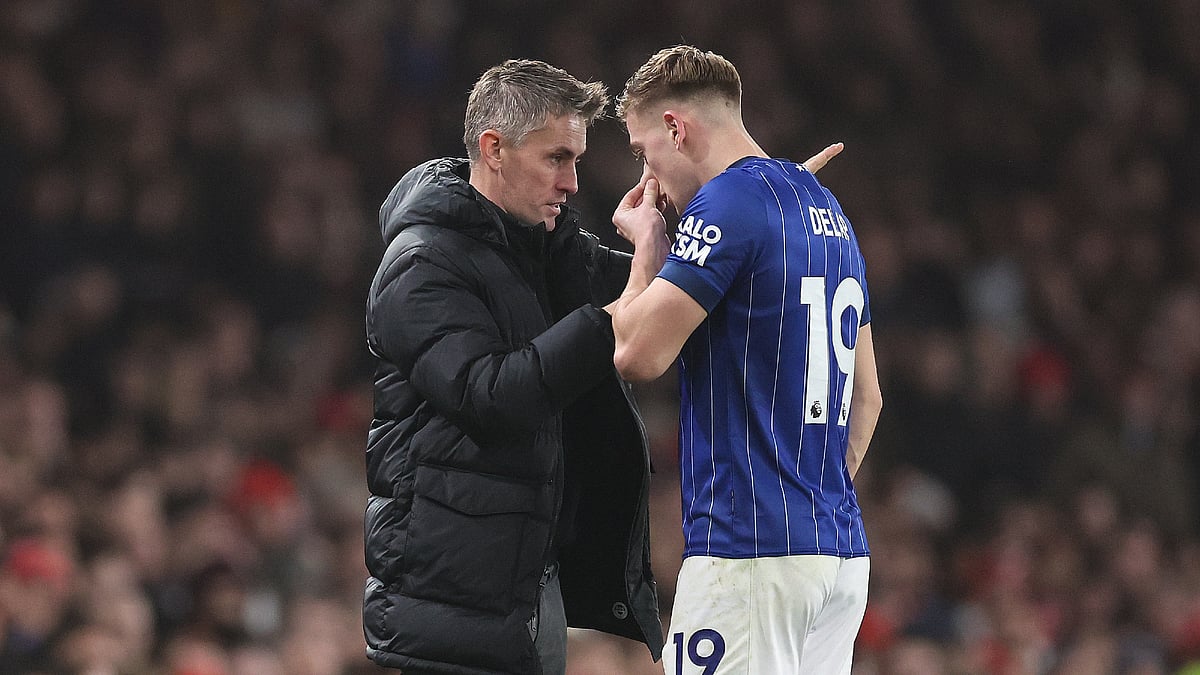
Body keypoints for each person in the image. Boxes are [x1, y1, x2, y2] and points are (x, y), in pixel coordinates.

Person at [361, 59, 666, 674]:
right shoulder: (423, 263)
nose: (573, 182)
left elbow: (652, 280)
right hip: (449, 610)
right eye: (557, 158)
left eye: (576, 160)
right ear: (494, 149)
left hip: (523, 592)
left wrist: (748, 213)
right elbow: (492, 396)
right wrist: (620, 309)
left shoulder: (536, 245)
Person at [608, 46, 884, 674]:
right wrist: (807, 501)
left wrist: (649, 247)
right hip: (836, 555)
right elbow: (867, 398)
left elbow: (634, 353)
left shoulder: (727, 206)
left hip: (751, 552)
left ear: (677, 128)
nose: (649, 177)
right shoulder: (825, 210)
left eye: (643, 152)